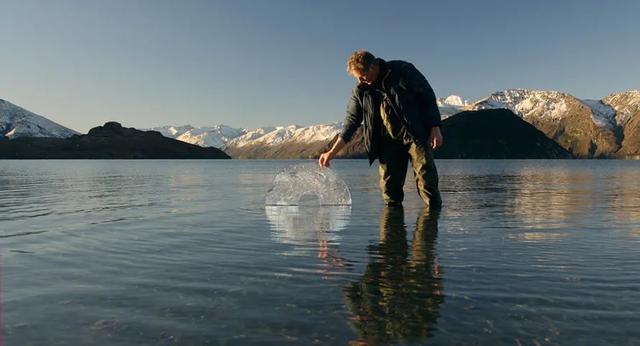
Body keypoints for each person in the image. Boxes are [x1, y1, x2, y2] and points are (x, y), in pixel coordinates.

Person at [319, 50, 443, 208]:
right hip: (387, 142)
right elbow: (351, 123)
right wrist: (331, 152)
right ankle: (392, 231)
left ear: (372, 66)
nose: (360, 80)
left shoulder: (403, 70)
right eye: (357, 78)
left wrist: (435, 126)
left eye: (362, 76)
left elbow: (427, 96)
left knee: (428, 184)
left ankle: (430, 226)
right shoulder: (360, 91)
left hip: (416, 135)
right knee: (389, 191)